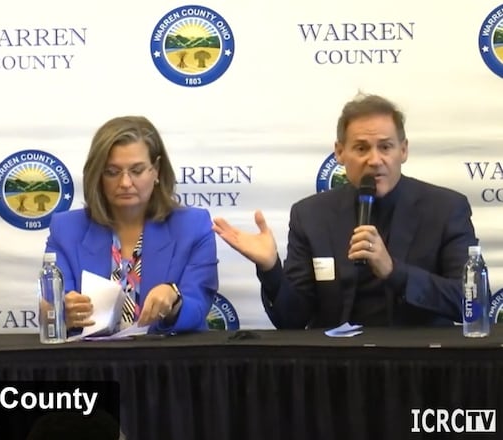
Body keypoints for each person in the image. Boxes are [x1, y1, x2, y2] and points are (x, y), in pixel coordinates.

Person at [213, 93, 476, 329]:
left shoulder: (445, 209)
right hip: (335, 367)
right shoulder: (311, 215)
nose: (374, 160)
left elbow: (469, 303)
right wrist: (271, 270)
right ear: (339, 152)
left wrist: (393, 271)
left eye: (385, 147)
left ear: (403, 150)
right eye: (361, 148)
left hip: (420, 365)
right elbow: (292, 319)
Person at [45, 116, 218, 334]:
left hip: (168, 362)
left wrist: (175, 301)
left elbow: (198, 304)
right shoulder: (66, 229)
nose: (125, 183)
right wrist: (62, 313)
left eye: (136, 171)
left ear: (156, 170)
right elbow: (54, 306)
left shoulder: (193, 226)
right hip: (90, 363)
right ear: (97, 175)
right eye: (112, 172)